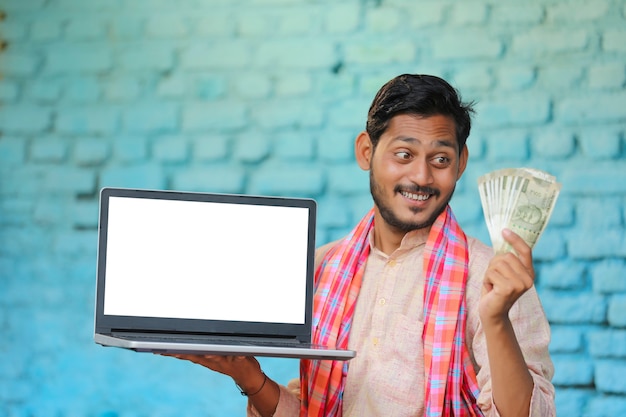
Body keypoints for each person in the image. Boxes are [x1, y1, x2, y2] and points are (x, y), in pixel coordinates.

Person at [167, 74, 556, 416]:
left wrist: (496, 319)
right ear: (367, 151)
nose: (420, 176)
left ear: (461, 162)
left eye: (440, 159)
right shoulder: (322, 268)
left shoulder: (495, 280)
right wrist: (248, 376)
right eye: (403, 155)